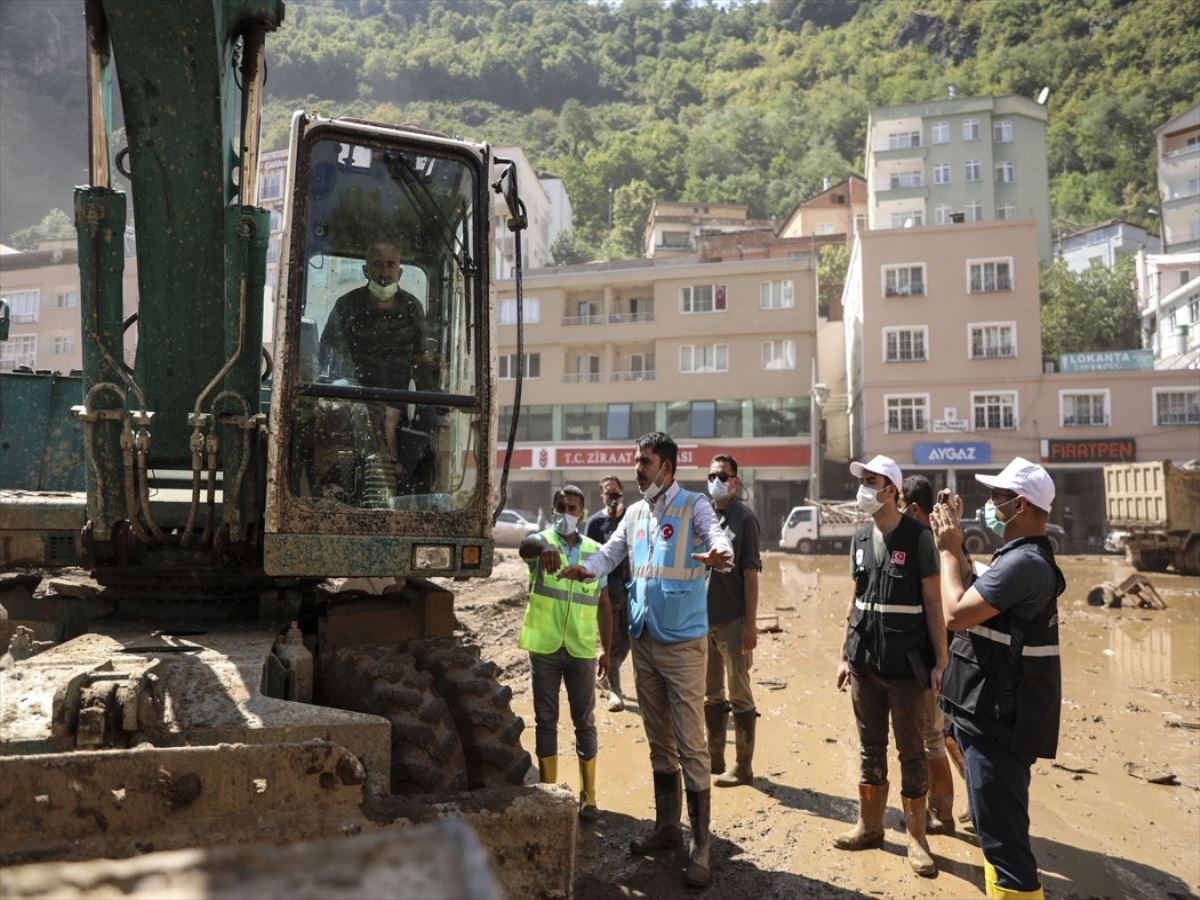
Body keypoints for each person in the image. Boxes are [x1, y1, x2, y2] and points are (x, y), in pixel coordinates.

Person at [561, 432, 732, 888]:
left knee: (691, 742)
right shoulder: (635, 513)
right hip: (644, 639)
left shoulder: (694, 506)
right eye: (636, 460)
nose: (637, 469)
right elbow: (613, 551)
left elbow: (718, 538)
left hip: (682, 643)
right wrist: (587, 568)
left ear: (667, 469)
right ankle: (666, 829)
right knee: (658, 740)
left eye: (645, 462)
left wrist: (720, 554)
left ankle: (701, 847)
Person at [930, 458, 1065, 900]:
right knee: (994, 835)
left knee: (1007, 850)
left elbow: (954, 613)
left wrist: (950, 548)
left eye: (996, 498)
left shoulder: (1025, 564)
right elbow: (973, 593)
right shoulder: (1016, 559)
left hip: (999, 725)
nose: (989, 506)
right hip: (984, 714)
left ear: (1019, 504)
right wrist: (957, 552)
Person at [833, 455, 946, 877]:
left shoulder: (918, 539)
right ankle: (869, 825)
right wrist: (844, 654)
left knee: (912, 751)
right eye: (861, 480)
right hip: (864, 661)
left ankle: (917, 837)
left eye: (871, 480)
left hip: (906, 667)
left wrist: (942, 660)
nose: (863, 487)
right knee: (869, 748)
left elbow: (934, 602)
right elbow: (854, 599)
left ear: (892, 489)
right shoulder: (860, 538)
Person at [517, 484, 614, 822]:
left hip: (581, 649)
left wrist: (608, 651)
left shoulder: (595, 551)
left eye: (573, 508)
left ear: (582, 514)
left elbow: (604, 606)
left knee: (584, 722)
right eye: (561, 506)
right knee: (546, 721)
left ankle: (589, 797)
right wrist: (543, 544)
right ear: (553, 509)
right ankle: (548, 792)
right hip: (544, 647)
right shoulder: (541, 541)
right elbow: (523, 548)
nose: (567, 513)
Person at [318, 240, 428, 483]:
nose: (384, 273)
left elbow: (422, 358)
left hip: (400, 394)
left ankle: (407, 480)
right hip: (356, 390)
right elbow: (328, 352)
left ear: (400, 272)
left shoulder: (412, 307)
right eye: (377, 265)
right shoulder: (346, 305)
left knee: (430, 417)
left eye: (391, 266)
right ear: (366, 271)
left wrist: (410, 400)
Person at [900, 474, 962, 835]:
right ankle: (948, 811)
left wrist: (940, 661)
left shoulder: (930, 544)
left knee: (932, 738)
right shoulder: (945, 541)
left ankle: (943, 814)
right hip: (941, 656)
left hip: (933, 658)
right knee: (940, 736)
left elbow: (938, 604)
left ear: (912, 507)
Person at [703, 453, 762, 788]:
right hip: (702, 620)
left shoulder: (745, 519)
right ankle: (714, 758)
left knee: (739, 692)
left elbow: (751, 574)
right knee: (711, 693)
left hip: (733, 620)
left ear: (735, 481)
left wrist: (750, 625)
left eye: (723, 476)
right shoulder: (703, 516)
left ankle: (743, 766)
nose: (716, 481)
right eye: (712, 475)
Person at [585, 475, 631, 712]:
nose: (612, 496)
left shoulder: (632, 518)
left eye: (616, 492)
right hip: (607, 588)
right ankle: (615, 690)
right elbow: (589, 555)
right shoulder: (595, 523)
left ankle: (604, 677)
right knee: (611, 640)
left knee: (629, 640)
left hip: (632, 586)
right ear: (602, 495)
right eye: (607, 492)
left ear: (622, 493)